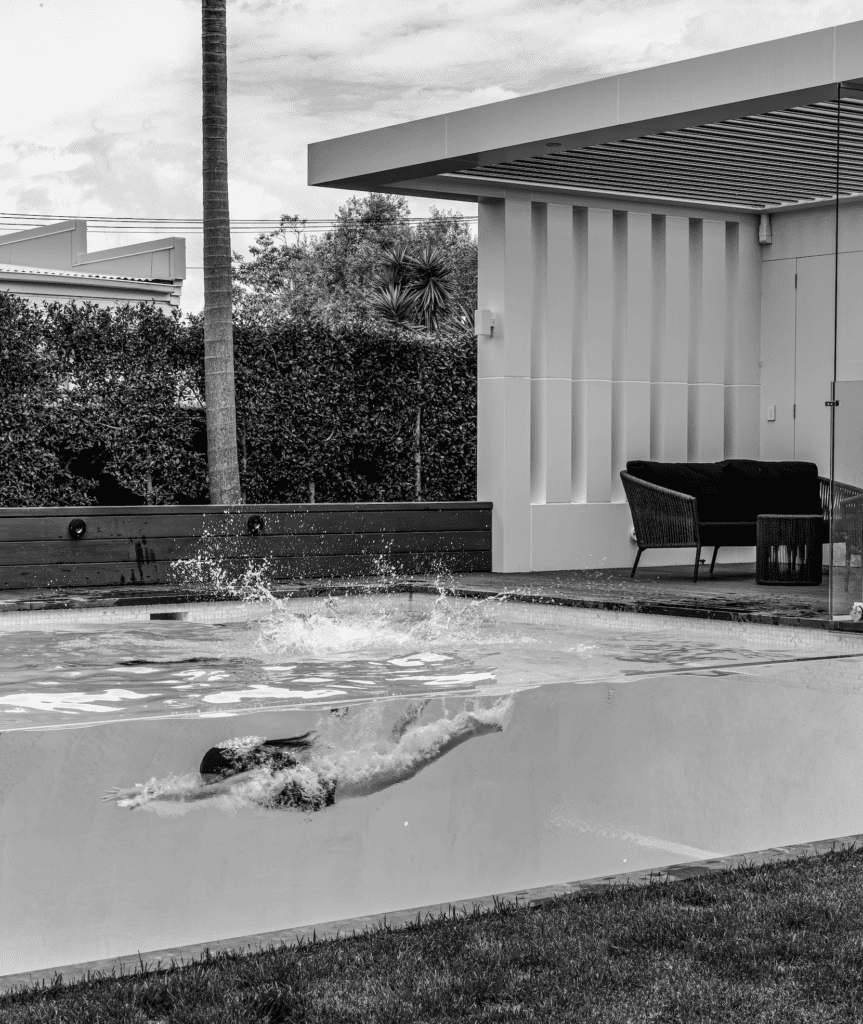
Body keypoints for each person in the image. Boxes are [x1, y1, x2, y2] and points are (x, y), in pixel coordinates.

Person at [103, 697, 511, 812]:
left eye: (213, 776)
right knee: (396, 751)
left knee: (406, 766)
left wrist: (147, 795)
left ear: (229, 770)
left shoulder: (253, 778)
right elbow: (195, 786)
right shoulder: (264, 769)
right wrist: (151, 790)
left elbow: (197, 794)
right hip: (336, 775)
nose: (210, 783)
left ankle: (471, 727)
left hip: (340, 783)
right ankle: (417, 705)